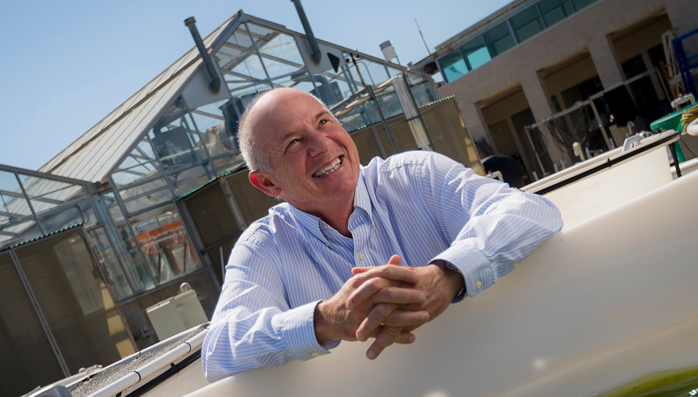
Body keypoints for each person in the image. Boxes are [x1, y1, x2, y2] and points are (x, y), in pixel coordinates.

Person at [201, 88, 562, 381]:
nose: (322, 145)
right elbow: (219, 350)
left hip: (501, 376)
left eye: (324, 122)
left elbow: (529, 210)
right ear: (267, 183)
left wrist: (446, 274)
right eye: (294, 142)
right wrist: (326, 320)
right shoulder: (263, 246)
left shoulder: (417, 175)